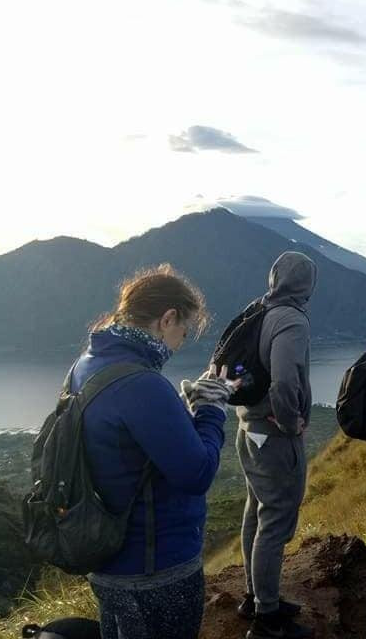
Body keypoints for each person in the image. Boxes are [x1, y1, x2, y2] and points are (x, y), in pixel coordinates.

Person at [74, 265, 234, 639]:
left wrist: (177, 411)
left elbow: (122, 444)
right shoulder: (142, 384)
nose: (180, 340)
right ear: (167, 318)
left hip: (107, 560)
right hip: (155, 569)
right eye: (184, 330)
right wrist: (211, 409)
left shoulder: (88, 365)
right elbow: (197, 474)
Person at [236, 252, 318, 639]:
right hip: (274, 435)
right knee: (276, 518)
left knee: (257, 509)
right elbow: (285, 381)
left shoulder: (259, 310)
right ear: (307, 285)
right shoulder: (291, 319)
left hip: (249, 429)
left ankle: (254, 597)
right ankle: (267, 620)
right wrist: (290, 421)